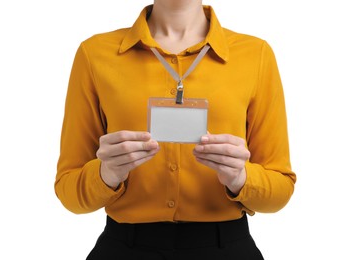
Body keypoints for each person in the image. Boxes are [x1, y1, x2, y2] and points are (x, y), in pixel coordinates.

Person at [55, 0, 296, 259]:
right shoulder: (94, 54)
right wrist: (106, 173)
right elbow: (68, 191)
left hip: (226, 247)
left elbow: (280, 189)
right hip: (124, 248)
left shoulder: (255, 54)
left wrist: (241, 179)